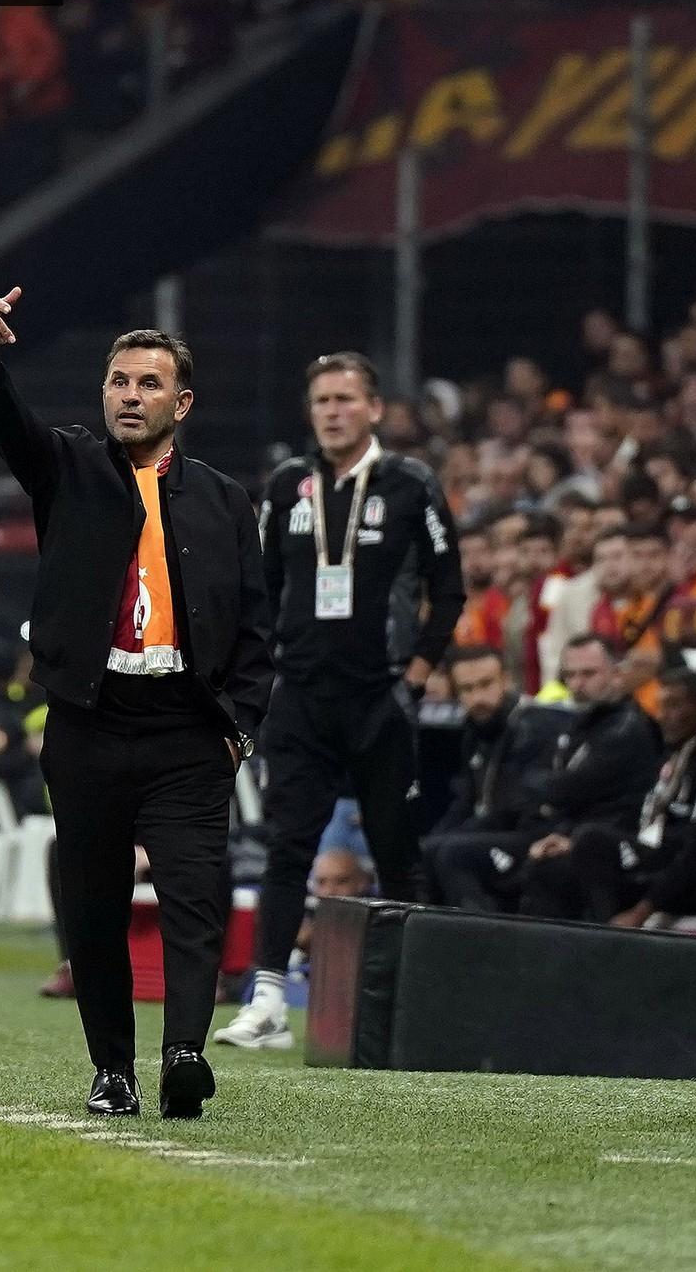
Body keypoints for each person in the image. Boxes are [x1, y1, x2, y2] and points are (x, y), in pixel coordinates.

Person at [0, 287, 270, 1120]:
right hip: (90, 721)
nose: (130, 396)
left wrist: (237, 727)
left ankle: (184, 1055)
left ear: (182, 401)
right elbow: (2, 421)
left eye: (148, 384)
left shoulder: (225, 499)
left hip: (186, 729)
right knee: (92, 905)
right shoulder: (66, 466)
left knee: (194, 897)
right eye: (119, 382)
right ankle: (113, 1071)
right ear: (103, 394)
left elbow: (257, 626)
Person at [218, 352, 462, 1052]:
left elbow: (448, 587)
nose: (332, 410)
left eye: (346, 398)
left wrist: (415, 673)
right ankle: (267, 999)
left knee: (394, 846)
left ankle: (411, 1000)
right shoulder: (288, 485)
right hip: (300, 697)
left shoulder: (411, 483)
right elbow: (256, 589)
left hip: (380, 696)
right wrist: (259, 679)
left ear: (374, 408)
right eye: (321, 398)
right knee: (287, 846)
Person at [533, 668, 696, 926]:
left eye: (674, 706)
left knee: (592, 840)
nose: (664, 716)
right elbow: (639, 816)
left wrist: (642, 910)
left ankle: (613, 935)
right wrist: (571, 840)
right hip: (650, 852)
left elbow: (695, 846)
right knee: (550, 868)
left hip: (688, 873)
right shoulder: (668, 756)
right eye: (660, 707)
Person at [512, 635, 665, 919]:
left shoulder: (626, 728)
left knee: (545, 870)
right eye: (570, 675)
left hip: (616, 843)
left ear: (617, 674)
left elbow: (569, 789)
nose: (577, 684)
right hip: (573, 832)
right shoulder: (582, 722)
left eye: (588, 674)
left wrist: (537, 783)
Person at [421, 645, 567, 906]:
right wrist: (430, 841)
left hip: (533, 835)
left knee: (453, 854)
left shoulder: (530, 726)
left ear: (506, 681)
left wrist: (452, 837)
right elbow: (465, 801)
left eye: (486, 684)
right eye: (467, 689)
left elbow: (509, 808)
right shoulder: (474, 731)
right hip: (491, 831)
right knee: (423, 854)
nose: (478, 697)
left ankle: (479, 943)